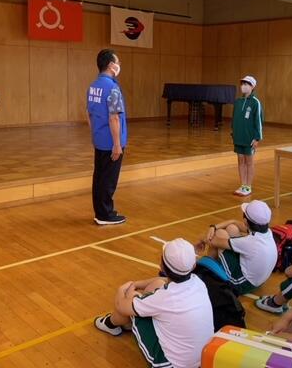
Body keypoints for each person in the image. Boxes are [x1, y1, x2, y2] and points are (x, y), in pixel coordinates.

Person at [94, 238, 214, 368]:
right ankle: (122, 324)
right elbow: (163, 280)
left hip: (170, 364)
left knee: (132, 297)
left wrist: (124, 288)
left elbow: (121, 306)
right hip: (203, 359)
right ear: (193, 266)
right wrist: (137, 284)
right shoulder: (197, 282)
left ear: (162, 266)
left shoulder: (165, 298)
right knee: (157, 284)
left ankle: (110, 324)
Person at [197, 200, 276, 295]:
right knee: (232, 228)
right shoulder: (266, 232)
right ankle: (213, 267)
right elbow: (233, 222)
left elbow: (213, 241)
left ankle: (207, 272)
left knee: (220, 234)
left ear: (245, 221)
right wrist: (213, 227)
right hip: (256, 280)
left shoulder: (250, 242)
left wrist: (201, 239)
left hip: (240, 284)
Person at [87, 49, 127, 225]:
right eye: (117, 62)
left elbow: (89, 113)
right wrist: (117, 144)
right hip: (111, 142)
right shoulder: (112, 88)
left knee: (99, 177)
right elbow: (114, 117)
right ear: (111, 65)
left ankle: (100, 211)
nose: (119, 65)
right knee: (108, 180)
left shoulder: (93, 86)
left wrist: (94, 134)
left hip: (99, 139)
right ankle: (105, 215)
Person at [231, 75, 263, 197]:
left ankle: (248, 186)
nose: (243, 86)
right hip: (238, 137)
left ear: (252, 86)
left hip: (249, 139)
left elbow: (259, 121)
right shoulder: (238, 102)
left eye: (246, 84)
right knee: (240, 161)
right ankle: (242, 185)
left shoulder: (255, 103)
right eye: (242, 84)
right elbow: (234, 119)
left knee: (249, 162)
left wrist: (257, 138)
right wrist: (233, 132)